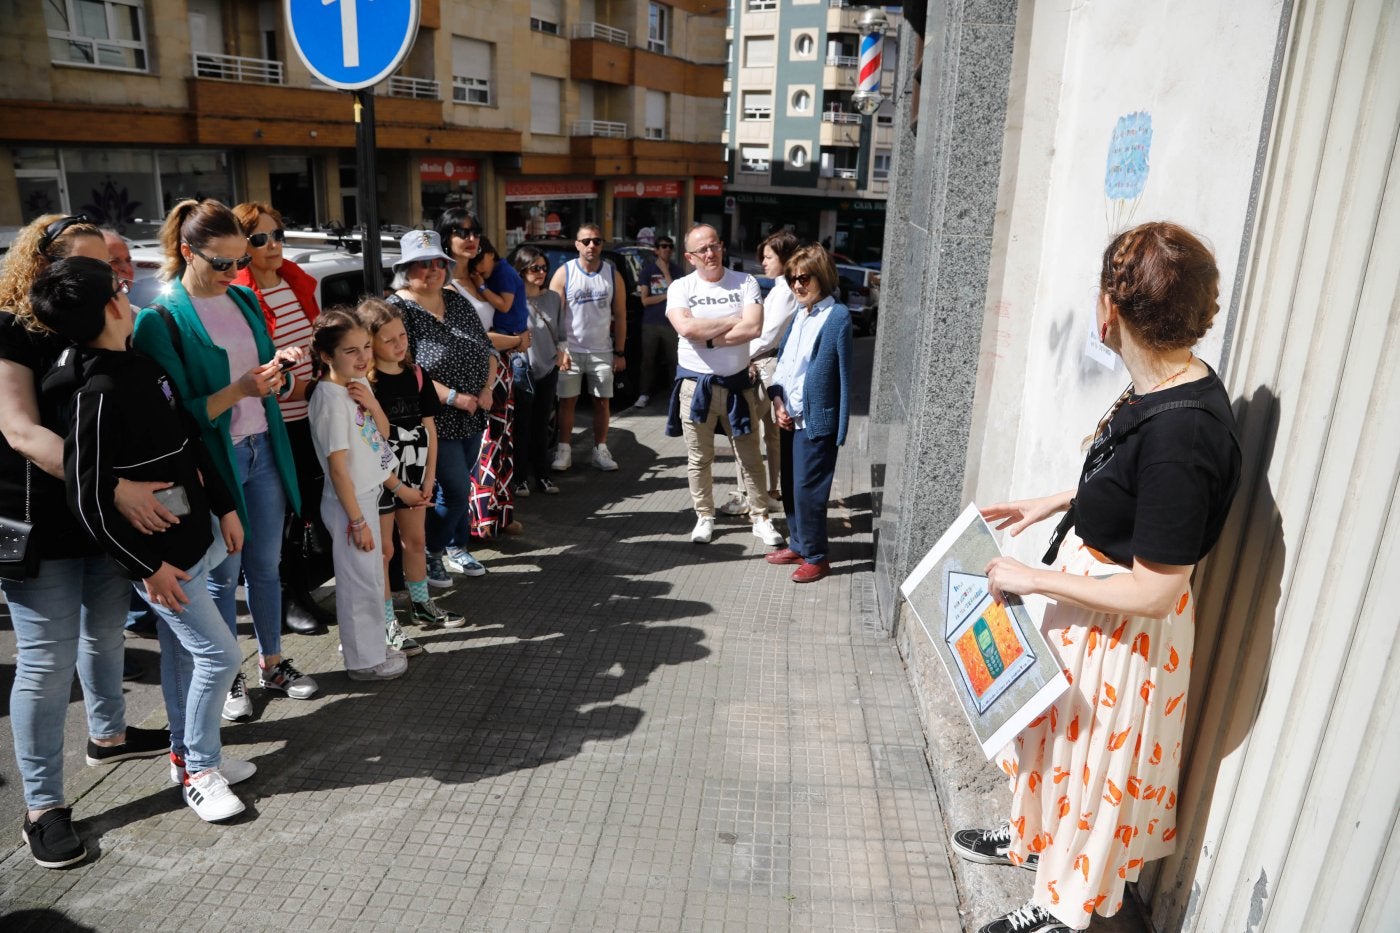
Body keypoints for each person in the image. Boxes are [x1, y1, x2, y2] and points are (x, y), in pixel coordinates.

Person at [950, 222, 1241, 933]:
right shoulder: (1168, 383)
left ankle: (1062, 907)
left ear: (1111, 311)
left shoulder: (1182, 435)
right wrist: (1062, 501)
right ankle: (1035, 841)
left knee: (1092, 772)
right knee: (1061, 751)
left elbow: (1156, 590)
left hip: (1124, 633)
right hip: (1099, 612)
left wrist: (1035, 579)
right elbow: (1140, 492)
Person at [34, 255, 257, 823]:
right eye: (121, 285)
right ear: (111, 306)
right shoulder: (94, 392)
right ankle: (200, 771)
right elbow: (87, 500)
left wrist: (226, 508)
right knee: (221, 655)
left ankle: (189, 756)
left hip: (195, 539)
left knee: (190, 656)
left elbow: (190, 440)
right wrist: (146, 569)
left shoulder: (141, 363)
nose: (130, 290)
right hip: (163, 563)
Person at [0, 215, 170, 868]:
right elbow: (20, 430)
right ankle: (42, 807)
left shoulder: (105, 320)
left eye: (112, 265)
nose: (113, 276)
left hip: (99, 515)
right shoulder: (11, 328)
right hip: (36, 518)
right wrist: (115, 488)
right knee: (45, 662)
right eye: (96, 265)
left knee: (104, 632)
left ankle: (110, 735)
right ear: (46, 266)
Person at [132, 198, 319, 722]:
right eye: (222, 262)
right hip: (215, 462)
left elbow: (259, 372)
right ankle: (227, 673)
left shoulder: (240, 297)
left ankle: (272, 663)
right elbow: (172, 417)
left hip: (264, 447)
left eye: (239, 260)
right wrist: (240, 390)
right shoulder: (161, 318)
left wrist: (278, 370)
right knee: (221, 574)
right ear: (187, 251)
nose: (234, 271)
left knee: (266, 566)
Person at [231, 201, 333, 636]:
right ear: (241, 245)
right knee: (285, 513)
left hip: (314, 413)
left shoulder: (296, 280)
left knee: (309, 505)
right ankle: (288, 596)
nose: (272, 245)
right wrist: (294, 386)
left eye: (277, 235)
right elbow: (249, 366)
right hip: (271, 422)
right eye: (260, 238)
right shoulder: (239, 295)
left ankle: (300, 588)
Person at [308, 306, 421, 680]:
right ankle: (363, 662)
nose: (362, 357)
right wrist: (356, 521)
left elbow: (381, 436)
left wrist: (372, 404)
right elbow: (338, 468)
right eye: (350, 351)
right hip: (349, 504)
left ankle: (370, 648)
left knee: (370, 578)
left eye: (365, 347)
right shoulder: (328, 400)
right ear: (327, 355)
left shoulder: (358, 385)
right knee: (359, 582)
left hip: (368, 495)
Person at [663, 224, 785, 549]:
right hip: (695, 387)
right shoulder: (680, 287)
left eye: (714, 245)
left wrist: (709, 338)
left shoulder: (745, 282)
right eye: (702, 250)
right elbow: (686, 328)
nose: (710, 253)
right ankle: (705, 515)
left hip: (738, 386)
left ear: (721, 246)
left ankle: (761, 518)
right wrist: (732, 319)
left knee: (750, 456)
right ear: (690, 257)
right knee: (699, 458)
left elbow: (754, 327)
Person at [388, 229, 495, 585]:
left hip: (474, 412)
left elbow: (486, 348)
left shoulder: (456, 300)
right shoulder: (398, 309)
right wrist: (453, 397)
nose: (432, 270)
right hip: (434, 418)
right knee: (456, 488)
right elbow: (404, 369)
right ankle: (432, 552)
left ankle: (456, 546)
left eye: (438, 262)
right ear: (405, 269)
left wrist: (486, 387)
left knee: (460, 485)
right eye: (422, 264)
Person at [363, 297, 465, 632]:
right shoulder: (366, 383)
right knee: (384, 551)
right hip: (380, 477)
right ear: (370, 342)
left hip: (415, 470)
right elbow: (368, 441)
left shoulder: (417, 374)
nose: (399, 344)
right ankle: (386, 621)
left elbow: (430, 428)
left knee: (416, 541)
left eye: (402, 336)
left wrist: (429, 477)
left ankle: (421, 605)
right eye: (388, 339)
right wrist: (397, 484)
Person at [763, 245, 852, 583]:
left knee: (808, 492)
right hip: (788, 417)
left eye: (804, 278)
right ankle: (798, 544)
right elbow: (785, 366)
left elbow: (843, 376)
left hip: (816, 422)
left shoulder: (837, 317)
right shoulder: (801, 314)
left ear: (822, 276)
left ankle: (817, 556)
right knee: (790, 487)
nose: (797, 285)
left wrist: (839, 428)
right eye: (792, 279)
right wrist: (778, 402)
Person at [721, 230, 801, 517]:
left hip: (765, 365)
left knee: (744, 431)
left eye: (768, 257)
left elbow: (766, 335)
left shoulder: (785, 291)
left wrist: (742, 356)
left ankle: (747, 495)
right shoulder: (786, 289)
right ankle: (772, 492)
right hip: (773, 365)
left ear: (785, 258)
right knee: (772, 435)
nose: (763, 262)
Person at [548, 223, 626, 472]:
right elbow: (553, 315)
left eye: (597, 241)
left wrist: (620, 352)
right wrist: (560, 349)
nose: (592, 245)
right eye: (586, 241)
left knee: (602, 402)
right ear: (577, 245)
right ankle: (564, 450)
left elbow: (621, 315)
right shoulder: (564, 273)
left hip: (601, 350)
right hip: (570, 350)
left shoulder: (612, 274)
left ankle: (600, 449)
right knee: (567, 402)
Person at [463, 239, 523, 536]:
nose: (479, 267)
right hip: (482, 370)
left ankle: (500, 515)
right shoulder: (455, 286)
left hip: (500, 366)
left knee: (502, 442)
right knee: (485, 445)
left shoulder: (490, 278)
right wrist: (516, 340)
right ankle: (481, 519)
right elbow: (477, 336)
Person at [509, 246, 567, 496]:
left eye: (544, 268)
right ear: (522, 270)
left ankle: (543, 476)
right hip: (522, 371)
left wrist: (561, 354)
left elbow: (561, 331)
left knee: (542, 425)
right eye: (535, 268)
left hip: (548, 368)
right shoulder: (512, 298)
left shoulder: (553, 298)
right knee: (522, 426)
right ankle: (520, 478)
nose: (541, 272)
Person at [634, 236, 682, 408]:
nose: (667, 249)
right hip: (651, 323)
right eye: (663, 246)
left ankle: (675, 396)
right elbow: (645, 300)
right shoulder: (648, 271)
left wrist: (666, 273)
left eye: (670, 246)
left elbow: (678, 296)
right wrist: (666, 295)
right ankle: (644, 394)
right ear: (656, 250)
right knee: (648, 360)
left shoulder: (677, 271)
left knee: (674, 361)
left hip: (672, 323)